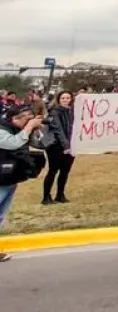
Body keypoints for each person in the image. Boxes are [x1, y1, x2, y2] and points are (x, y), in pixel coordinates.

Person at [0, 104, 47, 263]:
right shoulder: (2, 130)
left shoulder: (20, 130)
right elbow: (12, 143)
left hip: (9, 178)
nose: (30, 121)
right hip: (2, 179)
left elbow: (40, 144)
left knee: (1, 215)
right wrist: (28, 127)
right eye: (27, 118)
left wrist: (36, 130)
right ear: (15, 118)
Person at [42, 90, 75, 205]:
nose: (65, 100)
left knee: (65, 171)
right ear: (59, 99)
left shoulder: (72, 112)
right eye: (63, 98)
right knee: (53, 170)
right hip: (55, 145)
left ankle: (60, 195)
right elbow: (58, 130)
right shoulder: (54, 112)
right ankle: (46, 197)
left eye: (68, 98)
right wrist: (66, 145)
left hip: (70, 145)